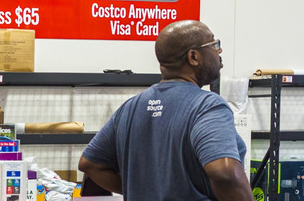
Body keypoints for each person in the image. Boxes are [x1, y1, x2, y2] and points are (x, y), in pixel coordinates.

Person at [78, 20, 253, 200]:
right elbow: (225, 172)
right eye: (214, 44)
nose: (219, 51)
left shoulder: (130, 108)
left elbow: (89, 164)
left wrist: (138, 189)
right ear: (193, 57)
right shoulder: (206, 106)